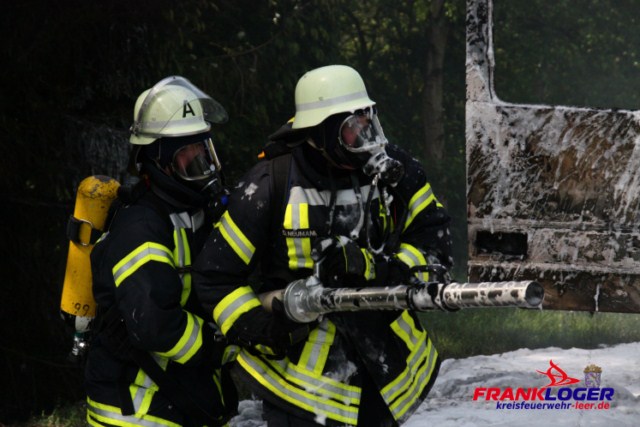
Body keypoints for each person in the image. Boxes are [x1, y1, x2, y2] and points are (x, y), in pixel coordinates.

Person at [192, 65, 453, 427]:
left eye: (368, 121)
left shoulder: (395, 169)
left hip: (384, 372)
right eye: (352, 127)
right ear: (321, 133)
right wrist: (265, 329)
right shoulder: (268, 185)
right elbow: (216, 279)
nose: (365, 136)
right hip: (300, 388)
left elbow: (435, 241)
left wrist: (385, 271)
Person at [84, 76, 238, 426]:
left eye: (204, 150)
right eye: (188, 154)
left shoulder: (192, 215)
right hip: (134, 410)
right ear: (160, 162)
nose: (201, 162)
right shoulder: (141, 228)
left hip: (173, 396)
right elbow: (154, 324)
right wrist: (222, 345)